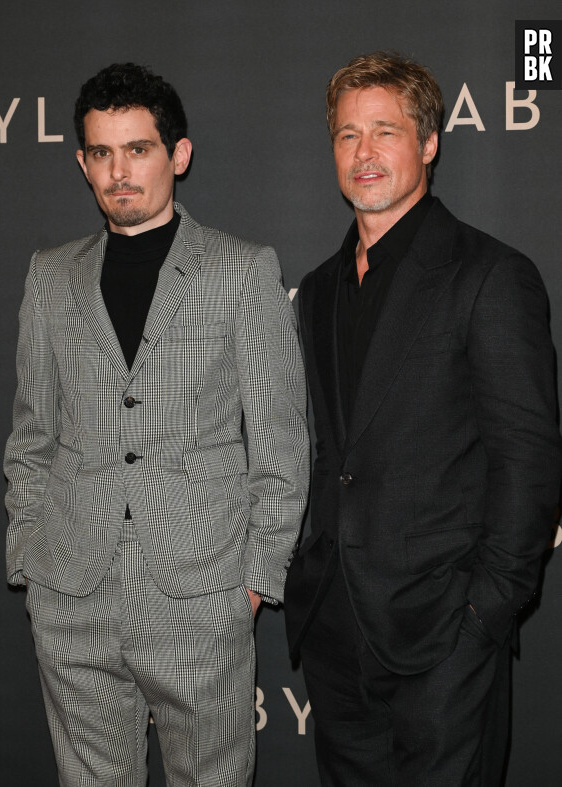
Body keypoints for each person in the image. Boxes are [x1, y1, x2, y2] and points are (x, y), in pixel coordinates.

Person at [4, 62, 309, 786]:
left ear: (179, 154)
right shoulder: (51, 276)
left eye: (138, 149)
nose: (119, 172)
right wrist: (29, 554)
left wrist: (254, 581)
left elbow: (279, 439)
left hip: (201, 595)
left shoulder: (241, 271)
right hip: (72, 590)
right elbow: (31, 436)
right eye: (102, 154)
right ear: (82, 162)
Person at [284, 51, 561, 786]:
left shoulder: (489, 275)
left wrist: (484, 615)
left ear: (430, 143)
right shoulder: (316, 290)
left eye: (384, 131)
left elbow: (527, 460)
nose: (364, 153)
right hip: (336, 636)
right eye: (347, 136)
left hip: (445, 635)